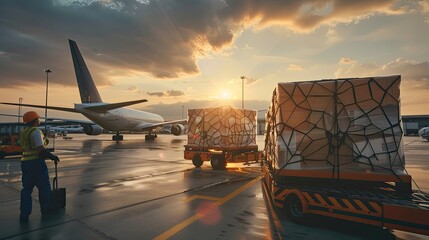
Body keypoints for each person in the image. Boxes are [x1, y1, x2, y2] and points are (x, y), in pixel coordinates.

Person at [19, 111, 59, 222]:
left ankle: (24, 214)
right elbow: (40, 150)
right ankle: (45, 209)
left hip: (25, 164)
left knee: (26, 190)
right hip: (36, 164)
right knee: (44, 188)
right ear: (35, 120)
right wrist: (52, 157)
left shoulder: (23, 132)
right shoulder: (36, 132)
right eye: (38, 119)